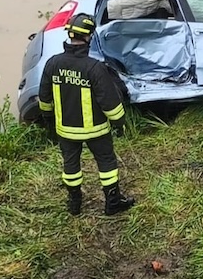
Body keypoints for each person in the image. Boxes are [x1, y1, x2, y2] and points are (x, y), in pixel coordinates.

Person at [38, 13, 136, 216]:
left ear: (70, 36)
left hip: (65, 131)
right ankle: (112, 203)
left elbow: (44, 99)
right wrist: (120, 123)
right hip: (96, 130)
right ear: (89, 38)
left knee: (70, 166)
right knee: (107, 163)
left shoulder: (52, 64)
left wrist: (48, 122)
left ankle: (74, 204)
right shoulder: (94, 68)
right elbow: (109, 102)